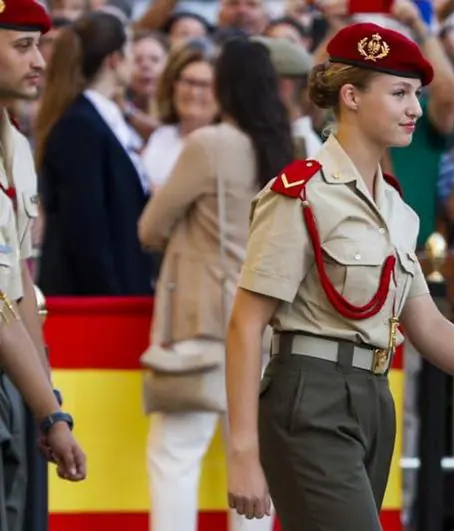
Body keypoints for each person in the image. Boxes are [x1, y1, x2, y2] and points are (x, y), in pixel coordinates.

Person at [224, 22, 454, 531]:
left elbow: (425, 323)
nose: (416, 110)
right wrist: (243, 450)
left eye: (417, 95)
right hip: (308, 397)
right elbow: (246, 325)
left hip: (374, 397)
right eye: (400, 93)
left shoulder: (395, 206)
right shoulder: (300, 192)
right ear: (352, 96)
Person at [138, 38, 293, 531]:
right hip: (266, 326)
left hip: (205, 321)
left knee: (175, 455)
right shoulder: (285, 147)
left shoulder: (209, 144)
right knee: (251, 465)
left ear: (225, 86)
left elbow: (150, 228)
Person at [0, 2, 87, 530]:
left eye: (39, 46)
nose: (38, 61)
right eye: (21, 46)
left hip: (14, 379)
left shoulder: (17, 145)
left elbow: (22, 283)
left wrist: (48, 403)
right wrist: (49, 413)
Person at [35, 11, 153, 296]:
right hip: (93, 299)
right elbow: (86, 224)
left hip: (117, 286)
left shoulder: (104, 118)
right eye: (130, 52)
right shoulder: (80, 125)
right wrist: (112, 294)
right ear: (114, 59)